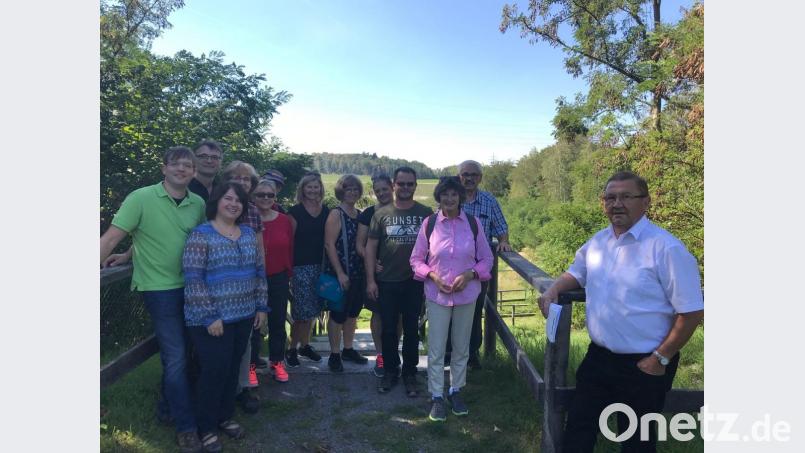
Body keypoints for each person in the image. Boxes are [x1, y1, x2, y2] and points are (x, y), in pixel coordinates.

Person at [537, 171, 704, 452]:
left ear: (646, 202)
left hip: (646, 363)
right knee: (579, 428)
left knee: (637, 442)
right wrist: (554, 288)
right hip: (599, 358)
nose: (617, 204)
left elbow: (691, 312)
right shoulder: (598, 243)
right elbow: (577, 273)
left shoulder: (666, 248)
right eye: (610, 197)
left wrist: (659, 359)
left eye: (626, 196)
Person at [99, 146, 206, 453]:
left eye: (188, 166)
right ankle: (187, 429)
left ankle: (168, 408)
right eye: (176, 164)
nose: (182, 169)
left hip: (192, 287)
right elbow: (111, 237)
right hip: (158, 289)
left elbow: (187, 239)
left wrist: (130, 253)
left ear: (194, 173)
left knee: (187, 354)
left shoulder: (197, 203)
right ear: (164, 168)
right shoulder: (140, 198)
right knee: (174, 357)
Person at [183, 182, 268, 452]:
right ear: (217, 202)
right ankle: (205, 427)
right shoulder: (201, 235)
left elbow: (259, 272)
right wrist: (210, 316)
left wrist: (262, 307)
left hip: (243, 315)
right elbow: (193, 279)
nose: (233, 204)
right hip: (211, 319)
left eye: (239, 201)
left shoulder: (246, 233)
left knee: (232, 369)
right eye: (228, 198)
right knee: (214, 371)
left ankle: (224, 417)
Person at [410, 176, 494, 422]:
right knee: (436, 348)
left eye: (454, 194)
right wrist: (433, 276)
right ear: (439, 196)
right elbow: (416, 259)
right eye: (444, 194)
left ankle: (456, 391)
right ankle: (437, 395)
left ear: (461, 197)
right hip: (437, 295)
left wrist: (470, 274)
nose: (449, 199)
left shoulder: (473, 223)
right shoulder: (430, 224)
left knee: (461, 347)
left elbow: (486, 259)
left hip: (467, 296)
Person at [365, 167, 433, 396]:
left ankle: (410, 373)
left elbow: (436, 248)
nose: (405, 188)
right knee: (389, 329)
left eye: (409, 184)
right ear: (394, 185)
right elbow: (371, 247)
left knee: (412, 329)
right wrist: (371, 280)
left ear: (415, 185)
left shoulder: (426, 213)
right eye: (401, 183)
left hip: (416, 281)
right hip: (387, 281)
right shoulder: (381, 214)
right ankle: (390, 371)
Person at [449, 160, 513, 370]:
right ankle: (450, 351)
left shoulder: (489, 200)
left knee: (475, 310)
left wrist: (503, 241)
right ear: (459, 176)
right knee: (449, 308)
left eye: (473, 175)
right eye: (465, 174)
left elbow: (501, 226)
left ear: (480, 178)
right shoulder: (451, 197)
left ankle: (472, 353)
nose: (469, 178)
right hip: (451, 265)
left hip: (477, 269)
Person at [220, 160, 265, 413]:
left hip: (247, 289)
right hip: (219, 287)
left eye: (246, 179)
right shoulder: (214, 207)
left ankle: (241, 389)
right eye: (235, 177)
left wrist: (262, 288)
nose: (241, 182)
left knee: (245, 342)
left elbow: (260, 252)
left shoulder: (253, 211)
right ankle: (220, 390)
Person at [322, 174, 369, 372]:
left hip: (358, 272)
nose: (352, 192)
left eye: (355, 189)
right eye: (348, 189)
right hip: (339, 273)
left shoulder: (359, 214)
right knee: (338, 314)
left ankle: (348, 349)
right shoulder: (336, 214)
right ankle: (334, 354)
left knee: (352, 314)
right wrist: (340, 273)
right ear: (341, 191)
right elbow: (329, 244)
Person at [285, 172, 329, 367]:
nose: (312, 190)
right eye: (309, 187)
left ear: (321, 188)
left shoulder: (326, 211)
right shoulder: (294, 212)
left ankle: (305, 345)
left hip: (320, 266)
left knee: (312, 310)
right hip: (300, 267)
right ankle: (291, 349)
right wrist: (288, 271)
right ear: (302, 189)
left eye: (316, 186)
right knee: (301, 313)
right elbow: (288, 242)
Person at [252, 179, 293, 383]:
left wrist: (288, 274)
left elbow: (291, 248)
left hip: (278, 276)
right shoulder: (245, 219)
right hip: (251, 279)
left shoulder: (284, 220)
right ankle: (251, 366)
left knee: (278, 322)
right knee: (253, 324)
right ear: (253, 196)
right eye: (261, 195)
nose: (266, 198)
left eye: (270, 195)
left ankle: (277, 362)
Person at [356, 173, 395, 378]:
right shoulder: (368, 214)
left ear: (392, 188)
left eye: (384, 189)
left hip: (400, 272)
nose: (381, 193)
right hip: (376, 274)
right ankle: (380, 355)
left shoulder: (403, 211)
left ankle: (392, 353)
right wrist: (372, 262)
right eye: (377, 190)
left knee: (397, 316)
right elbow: (360, 245)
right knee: (378, 314)